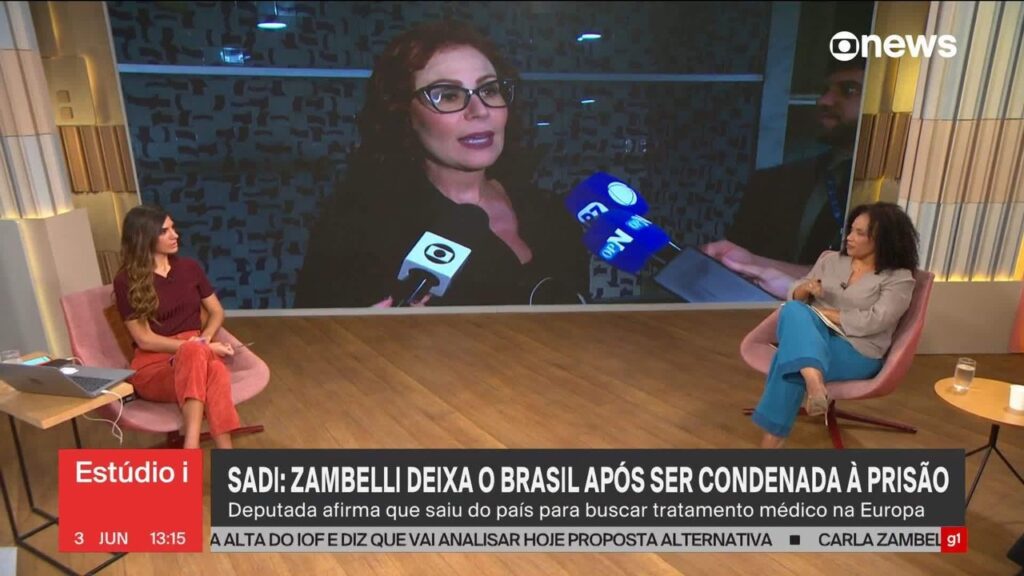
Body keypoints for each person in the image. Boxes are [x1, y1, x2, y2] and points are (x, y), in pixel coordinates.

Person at [294, 20, 590, 308]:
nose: (479, 111)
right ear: (403, 113)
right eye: (448, 96)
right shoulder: (358, 229)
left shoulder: (549, 213)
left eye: (489, 90)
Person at [751, 202, 919, 448]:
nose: (849, 237)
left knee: (792, 358)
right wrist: (804, 289)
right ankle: (814, 382)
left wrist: (822, 314)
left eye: (859, 233)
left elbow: (875, 321)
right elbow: (796, 291)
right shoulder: (831, 261)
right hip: (814, 336)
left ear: (883, 239)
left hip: (858, 349)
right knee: (793, 310)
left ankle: (771, 443)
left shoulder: (899, 278)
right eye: (850, 230)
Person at [703, 55, 867, 299]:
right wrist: (748, 261)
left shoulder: (903, 193)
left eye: (849, 90)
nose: (825, 101)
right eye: (824, 91)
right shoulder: (774, 183)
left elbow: (866, 281)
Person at [113, 205, 240, 449]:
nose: (175, 235)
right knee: (209, 366)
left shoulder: (189, 268)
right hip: (154, 366)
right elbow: (144, 339)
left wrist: (205, 340)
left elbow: (216, 311)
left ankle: (199, 450)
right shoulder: (126, 280)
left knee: (214, 370)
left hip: (197, 354)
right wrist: (200, 348)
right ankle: (201, 449)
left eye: (173, 228)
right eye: (165, 231)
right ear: (144, 236)